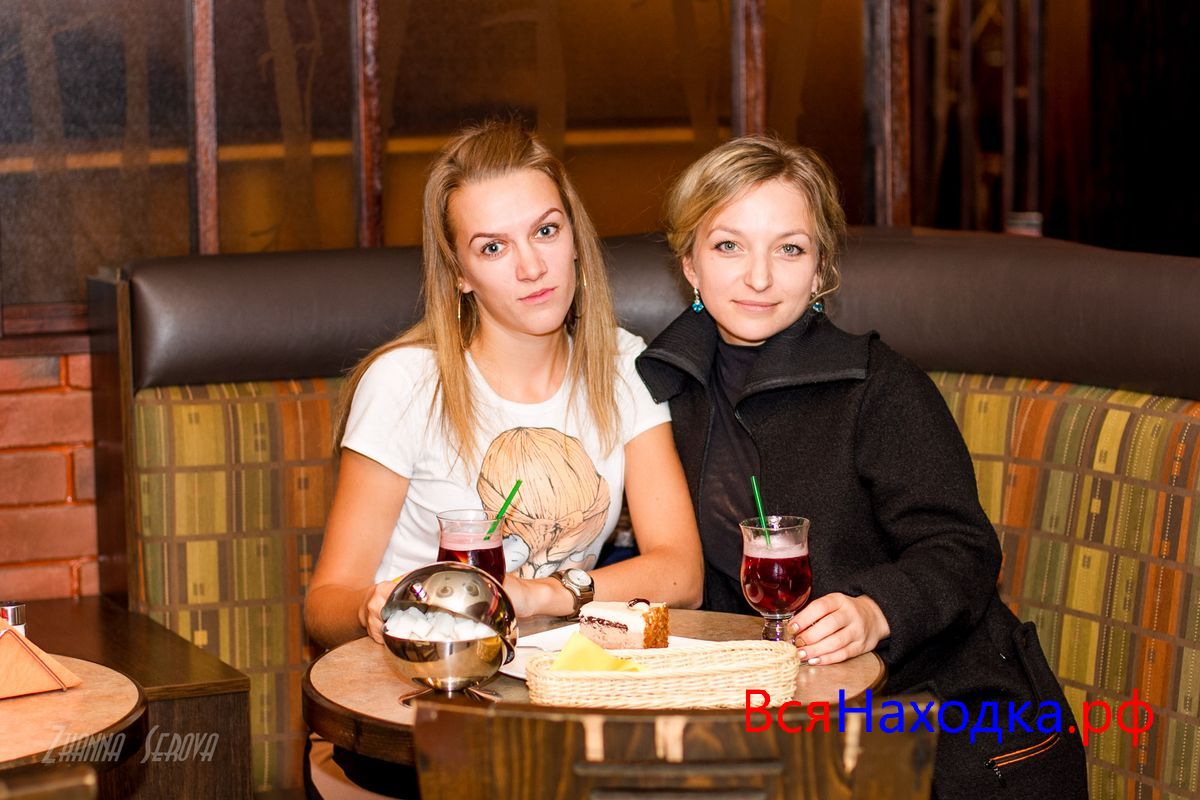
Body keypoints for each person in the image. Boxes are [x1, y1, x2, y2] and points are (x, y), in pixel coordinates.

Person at [635, 136, 1087, 798]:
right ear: (690, 264)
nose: (758, 277)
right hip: (778, 726)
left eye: (790, 249)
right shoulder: (659, 391)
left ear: (820, 269)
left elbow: (963, 549)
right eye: (729, 245)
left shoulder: (879, 386)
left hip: (946, 719)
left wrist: (876, 611)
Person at [304, 121, 702, 653]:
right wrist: (368, 609)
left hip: (558, 678)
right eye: (493, 247)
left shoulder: (621, 365)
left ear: (575, 239)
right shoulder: (404, 383)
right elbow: (323, 607)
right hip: (422, 678)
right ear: (459, 273)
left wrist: (544, 594)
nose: (532, 267)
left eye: (546, 231)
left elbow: (682, 574)